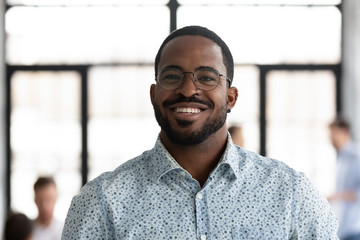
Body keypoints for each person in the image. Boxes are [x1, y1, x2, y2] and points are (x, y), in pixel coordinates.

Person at [62, 25, 338, 239]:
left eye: (206, 77)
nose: (188, 89)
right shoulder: (101, 202)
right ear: (153, 94)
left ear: (231, 97)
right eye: (172, 76)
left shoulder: (291, 194)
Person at [327, 117, 360, 240]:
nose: (331, 138)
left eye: (333, 133)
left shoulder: (356, 157)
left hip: (355, 227)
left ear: (345, 132)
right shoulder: (341, 158)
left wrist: (335, 197)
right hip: (343, 228)